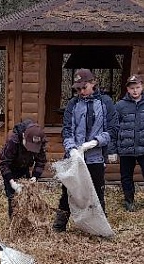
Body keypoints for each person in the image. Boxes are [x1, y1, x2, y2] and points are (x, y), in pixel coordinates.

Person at [52, 68, 118, 232]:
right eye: (78, 89)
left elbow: (113, 129)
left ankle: (100, 228)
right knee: (69, 191)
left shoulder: (106, 102)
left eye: (84, 87)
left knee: (97, 193)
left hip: (95, 157)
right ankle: (59, 226)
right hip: (75, 157)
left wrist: (95, 142)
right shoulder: (73, 104)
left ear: (93, 83)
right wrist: (72, 148)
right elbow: (66, 129)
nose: (81, 91)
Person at [114, 74, 144, 212]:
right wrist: (112, 150)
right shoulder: (120, 106)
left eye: (137, 87)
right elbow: (114, 128)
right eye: (132, 88)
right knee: (126, 176)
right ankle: (129, 201)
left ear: (142, 87)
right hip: (126, 149)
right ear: (127, 90)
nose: (135, 90)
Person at [0, 119, 48, 219]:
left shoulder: (39, 140)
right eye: (29, 146)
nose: (30, 149)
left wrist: (35, 177)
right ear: (23, 137)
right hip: (11, 168)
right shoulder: (13, 141)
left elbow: (41, 161)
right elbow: (4, 163)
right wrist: (12, 183)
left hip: (24, 167)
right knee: (13, 197)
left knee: (27, 195)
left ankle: (27, 220)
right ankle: (14, 223)